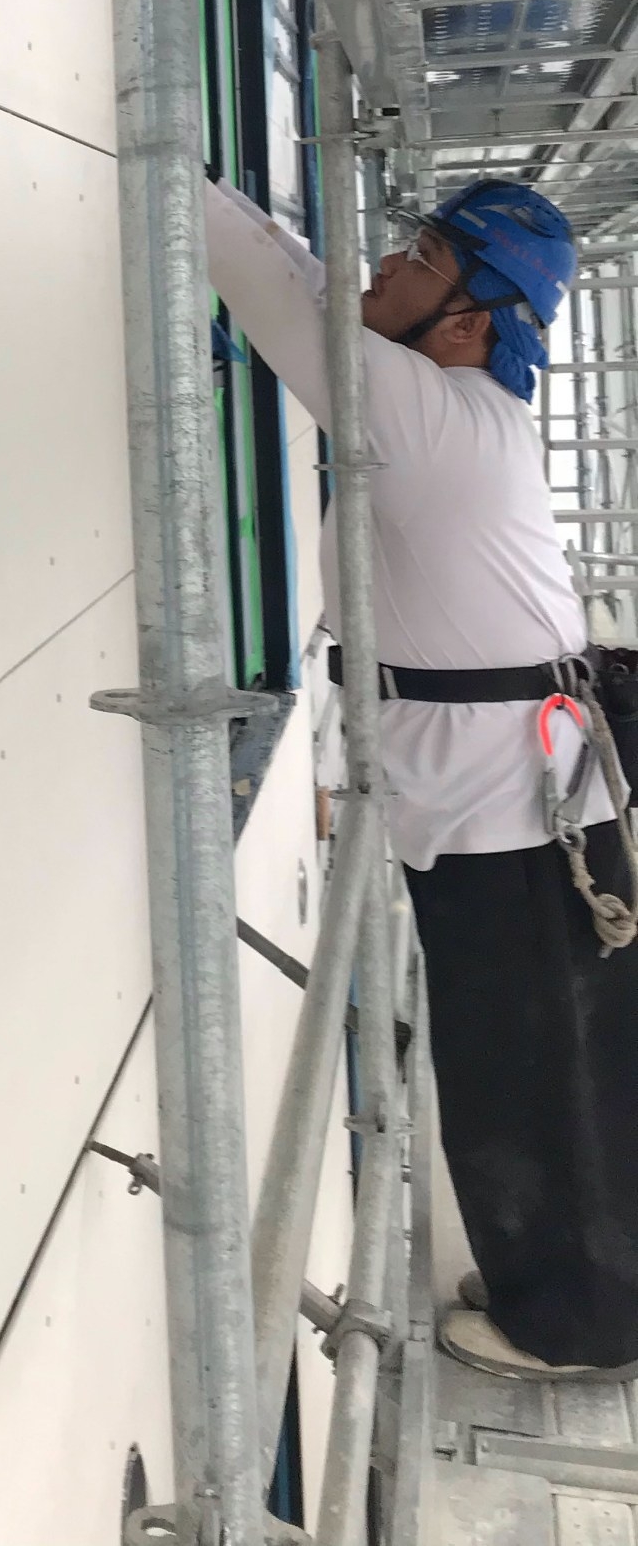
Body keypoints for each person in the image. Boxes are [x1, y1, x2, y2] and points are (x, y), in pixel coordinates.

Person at [205, 172, 638, 1380]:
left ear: (466, 321)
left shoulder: (429, 411)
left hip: (516, 818)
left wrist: (165, 153)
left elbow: (272, 288)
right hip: (518, 802)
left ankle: (578, 1322)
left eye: (421, 256)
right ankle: (566, 1284)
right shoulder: (454, 410)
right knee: (553, 1067)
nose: (385, 264)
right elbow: (305, 286)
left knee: (529, 1075)